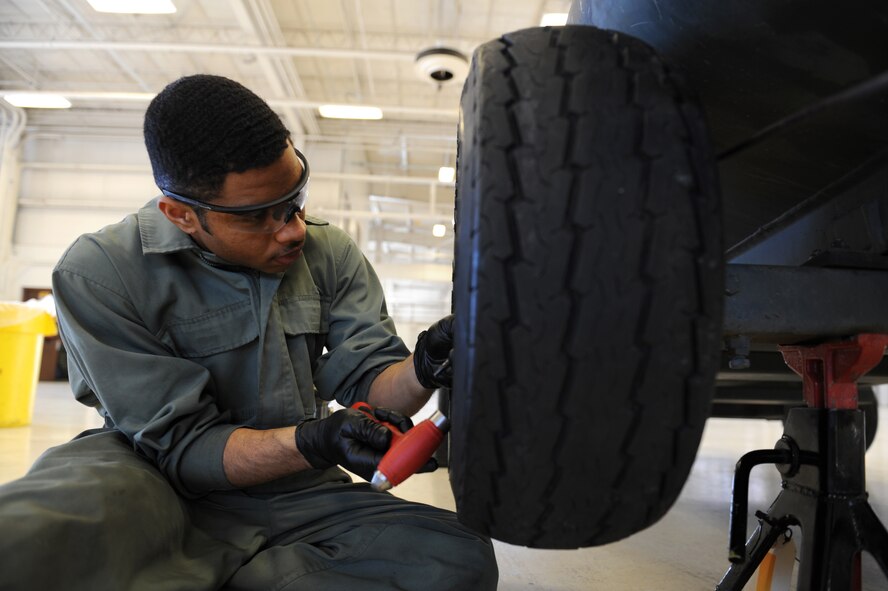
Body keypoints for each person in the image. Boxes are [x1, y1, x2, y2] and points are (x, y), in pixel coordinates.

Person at [0, 74, 498, 590]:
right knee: (30, 535)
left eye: (295, 199)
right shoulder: (100, 272)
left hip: (297, 489)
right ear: (182, 215)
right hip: (150, 478)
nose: (293, 229)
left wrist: (423, 367)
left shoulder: (328, 253)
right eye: (258, 216)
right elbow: (183, 447)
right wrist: (315, 438)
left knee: (457, 558)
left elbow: (370, 380)